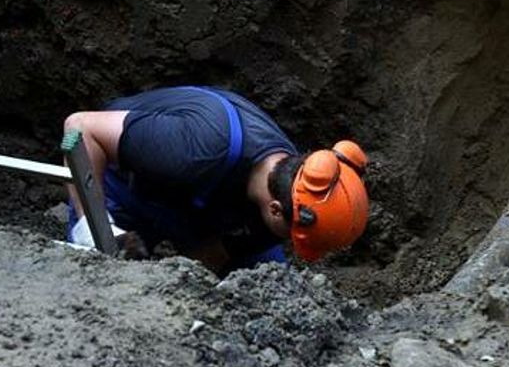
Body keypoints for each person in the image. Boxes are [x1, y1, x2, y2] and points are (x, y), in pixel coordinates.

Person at [63, 86, 369, 274]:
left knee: (267, 280)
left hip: (198, 206)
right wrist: (92, 228)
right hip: (129, 186)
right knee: (101, 270)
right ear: (275, 210)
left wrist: (174, 285)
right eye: (291, 234)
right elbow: (79, 127)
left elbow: (213, 255)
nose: (289, 239)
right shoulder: (195, 148)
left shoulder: (293, 193)